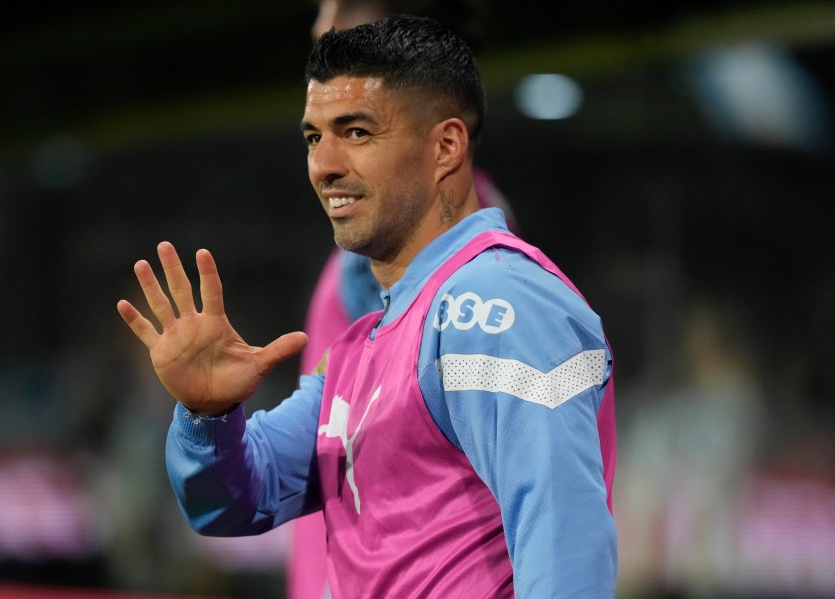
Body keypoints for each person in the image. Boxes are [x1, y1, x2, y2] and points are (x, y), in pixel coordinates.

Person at [117, 15, 617, 598]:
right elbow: (236, 503)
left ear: (446, 146)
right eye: (313, 137)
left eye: (356, 132)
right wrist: (209, 416)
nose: (324, 165)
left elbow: (564, 546)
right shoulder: (368, 340)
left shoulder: (494, 305)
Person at [296, 3, 516, 596]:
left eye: (340, 5)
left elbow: (391, 451)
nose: (321, 23)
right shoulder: (409, 223)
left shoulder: (418, 238)